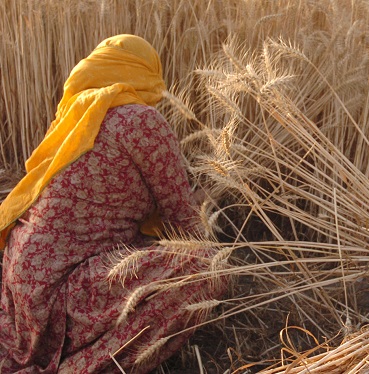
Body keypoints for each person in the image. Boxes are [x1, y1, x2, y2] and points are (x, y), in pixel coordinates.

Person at [0, 34, 224, 372]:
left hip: (23, 286)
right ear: (147, 71)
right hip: (65, 289)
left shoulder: (77, 117)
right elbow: (184, 221)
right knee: (205, 267)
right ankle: (83, 366)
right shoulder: (141, 120)